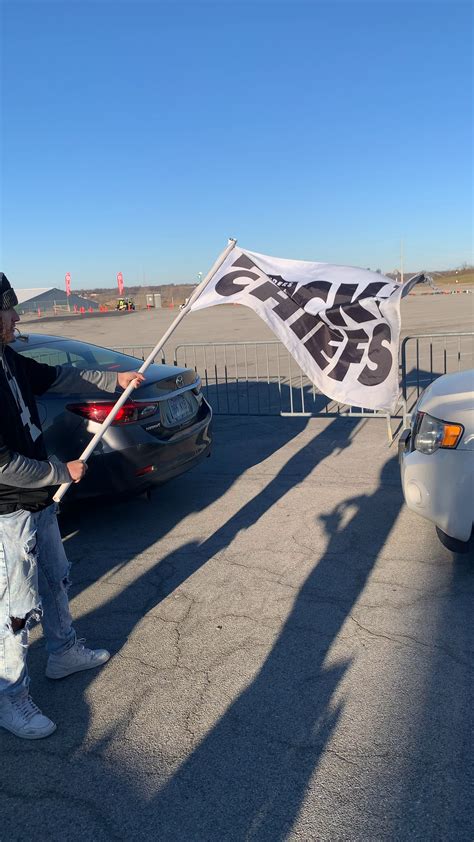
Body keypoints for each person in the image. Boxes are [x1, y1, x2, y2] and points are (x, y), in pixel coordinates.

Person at [0, 272, 145, 739]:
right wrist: (61, 472)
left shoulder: (9, 359)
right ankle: (10, 699)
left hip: (38, 502)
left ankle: (63, 652)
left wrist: (113, 378)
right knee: (14, 607)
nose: (17, 317)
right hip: (8, 513)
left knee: (55, 579)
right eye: (8, 308)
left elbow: (61, 374)